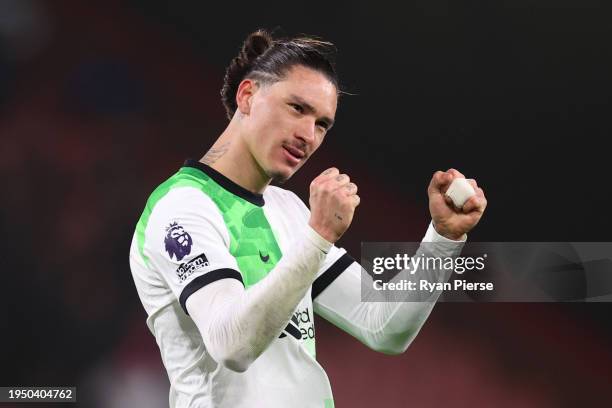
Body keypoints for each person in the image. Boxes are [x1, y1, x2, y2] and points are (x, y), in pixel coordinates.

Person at [129, 28, 487, 408]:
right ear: (248, 96)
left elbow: (383, 325)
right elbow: (231, 345)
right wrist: (318, 236)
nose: (308, 135)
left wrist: (442, 238)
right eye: (297, 108)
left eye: (322, 124)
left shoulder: (289, 211)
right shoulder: (182, 206)